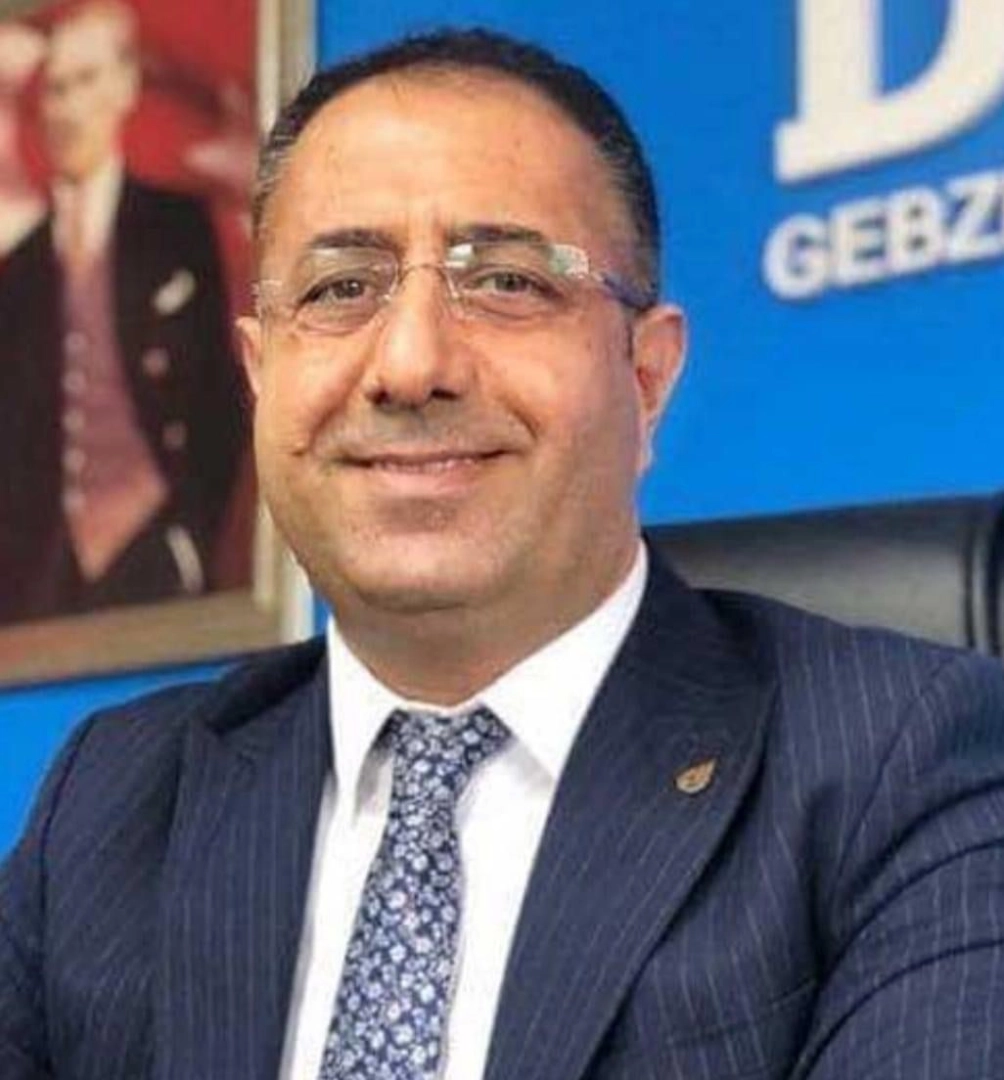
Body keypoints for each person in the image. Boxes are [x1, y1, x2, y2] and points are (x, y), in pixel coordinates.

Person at [3, 26, 1004, 1080]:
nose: (409, 364)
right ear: (259, 376)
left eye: (509, 282)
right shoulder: (113, 801)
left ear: (646, 376)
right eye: (340, 288)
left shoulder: (907, 771)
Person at [0, 0, 245, 623]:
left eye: (84, 81)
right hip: (43, 573)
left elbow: (219, 399)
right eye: (55, 90)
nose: (67, 108)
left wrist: (189, 531)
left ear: (124, 86)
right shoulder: (19, 273)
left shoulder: (175, 226)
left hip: (155, 541)